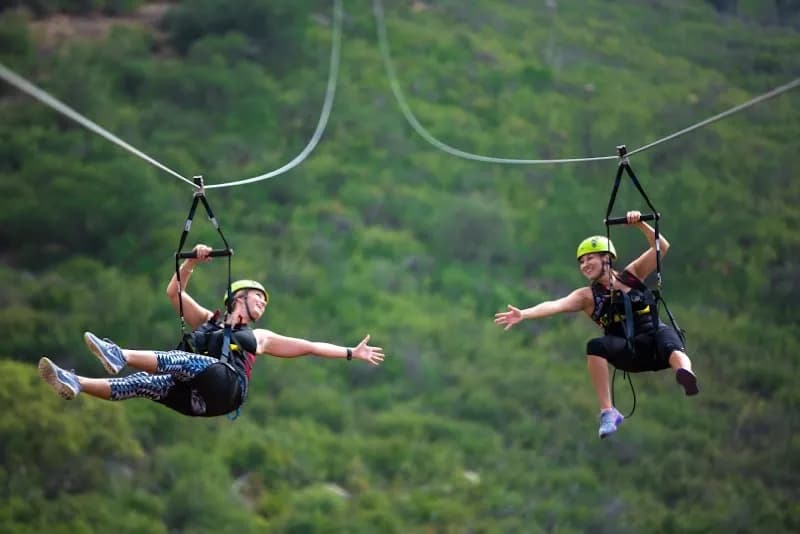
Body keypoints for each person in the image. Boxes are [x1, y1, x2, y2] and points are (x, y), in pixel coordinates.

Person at [39, 244, 385, 417]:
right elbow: (174, 293)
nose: (263, 305)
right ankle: (76, 382)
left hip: (226, 387)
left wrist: (351, 352)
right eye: (258, 298)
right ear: (239, 297)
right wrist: (191, 262)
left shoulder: (259, 338)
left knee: (182, 361)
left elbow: (308, 346)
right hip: (197, 400)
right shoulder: (209, 320)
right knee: (142, 383)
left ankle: (119, 355)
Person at [494, 211, 698, 439]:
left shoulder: (632, 275)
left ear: (607, 259)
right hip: (630, 352)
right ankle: (608, 412)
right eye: (581, 262)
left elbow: (662, 247)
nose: (585, 265)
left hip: (656, 344)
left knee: (669, 340)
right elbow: (555, 305)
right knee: (595, 346)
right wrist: (523, 314)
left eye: (590, 258)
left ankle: (684, 374)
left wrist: (641, 224)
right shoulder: (586, 296)